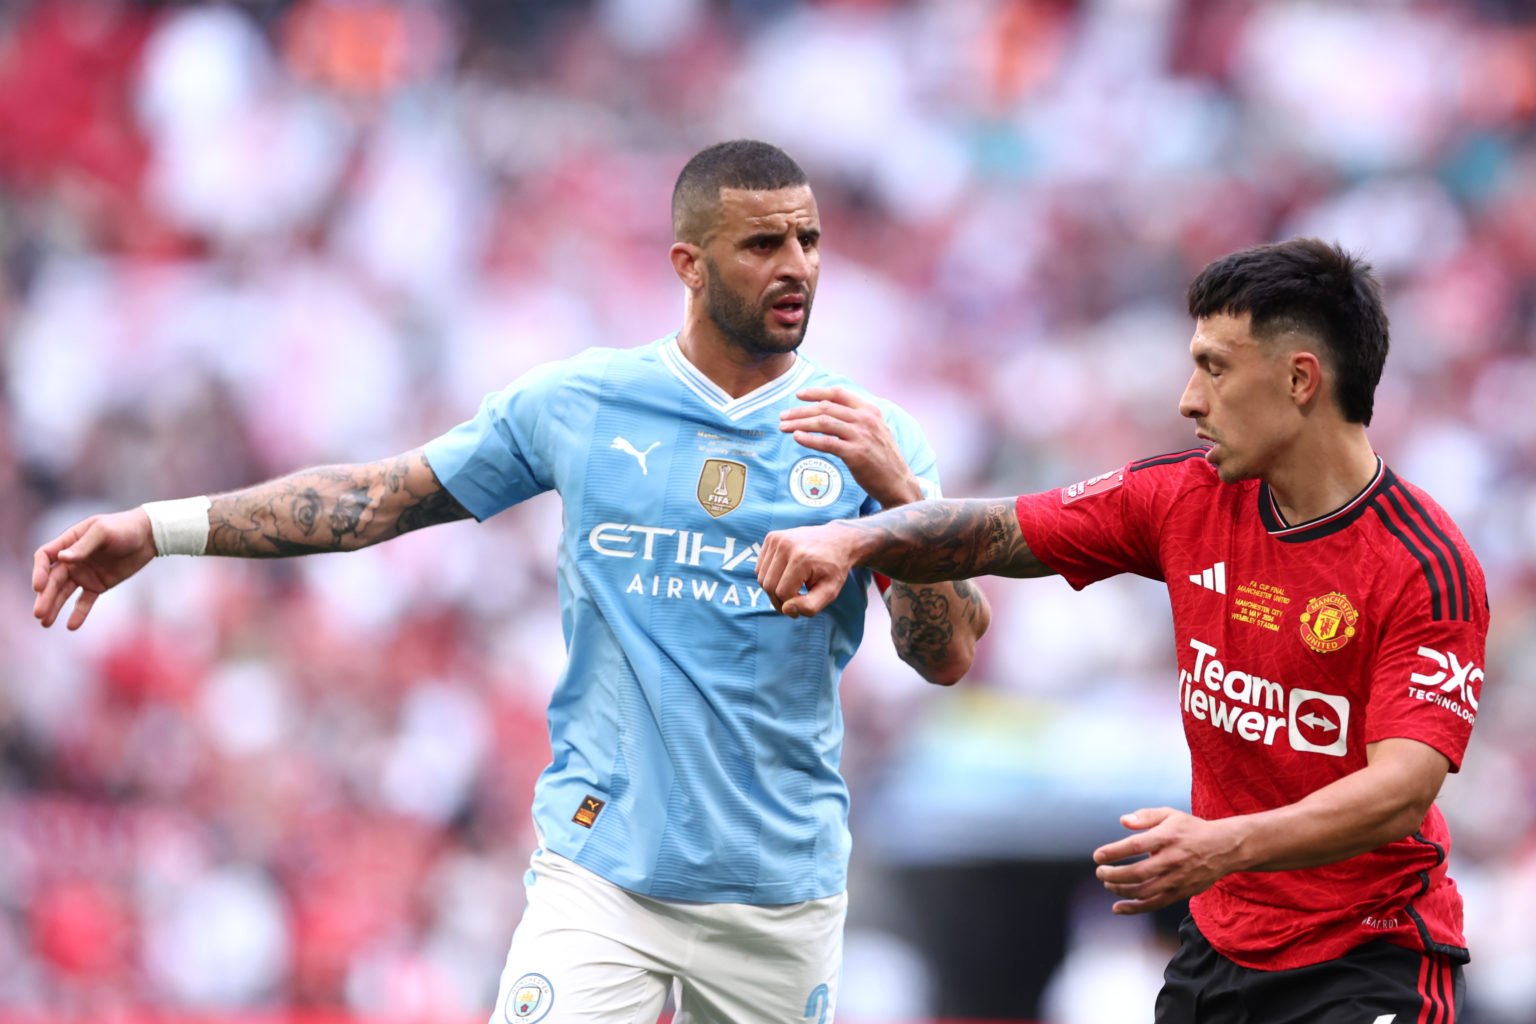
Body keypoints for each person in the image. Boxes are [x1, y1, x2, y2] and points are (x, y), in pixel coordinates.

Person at [30, 139, 991, 1024]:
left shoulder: (875, 439)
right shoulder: (580, 403)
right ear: (688, 266)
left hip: (779, 890)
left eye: (810, 239)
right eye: (763, 242)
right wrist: (160, 528)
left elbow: (944, 656)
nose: (797, 265)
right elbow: (375, 500)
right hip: (601, 874)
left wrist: (898, 501)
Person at [756, 238, 1487, 1022]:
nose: (1189, 399)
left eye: (1215, 366)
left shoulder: (1422, 564)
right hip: (1221, 952)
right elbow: (999, 531)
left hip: (1367, 958)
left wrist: (1221, 845)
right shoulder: (1184, 499)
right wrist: (858, 537)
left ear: (1300, 379)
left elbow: (1400, 795)